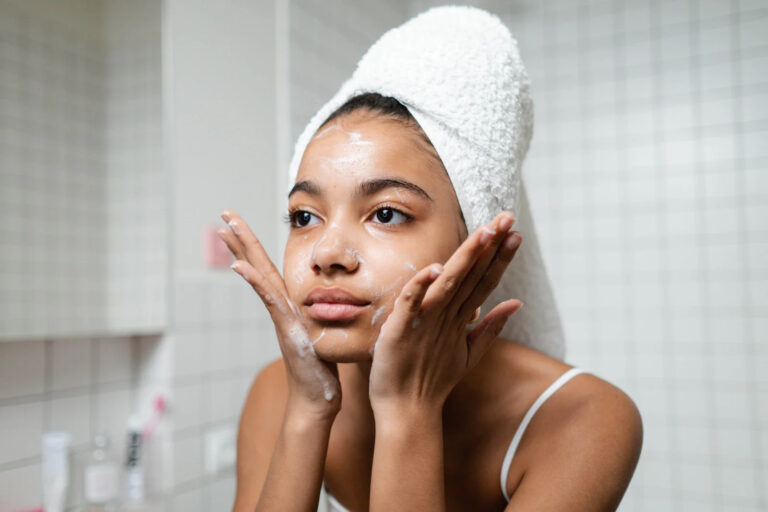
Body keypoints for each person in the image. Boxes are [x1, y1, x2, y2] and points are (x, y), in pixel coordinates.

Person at [220, 7, 642, 512]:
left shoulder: (583, 419)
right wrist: (309, 411)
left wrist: (408, 412)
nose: (327, 253)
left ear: (478, 245)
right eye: (305, 217)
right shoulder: (281, 393)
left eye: (386, 213)